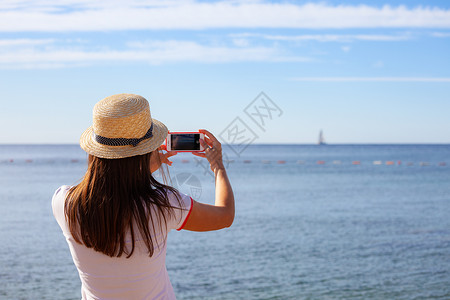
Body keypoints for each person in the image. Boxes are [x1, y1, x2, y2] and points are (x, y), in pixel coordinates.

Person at [52, 93, 234, 299]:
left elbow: (110, 187)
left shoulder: (64, 202)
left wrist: (140, 167)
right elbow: (225, 216)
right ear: (147, 150)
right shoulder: (165, 205)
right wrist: (217, 166)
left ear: (96, 151)